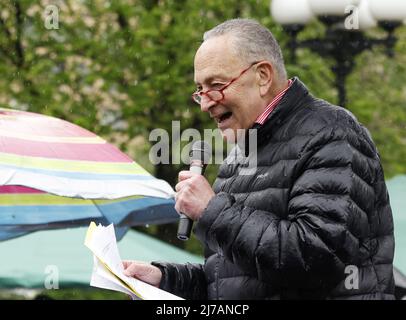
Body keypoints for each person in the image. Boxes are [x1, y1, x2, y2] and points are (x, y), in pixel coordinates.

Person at [123, 18, 395, 300]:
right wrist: (165, 281)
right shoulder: (239, 155)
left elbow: (316, 259)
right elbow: (233, 280)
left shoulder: (331, 133)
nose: (205, 104)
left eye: (215, 85)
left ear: (263, 76)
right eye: (200, 91)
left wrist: (213, 211)